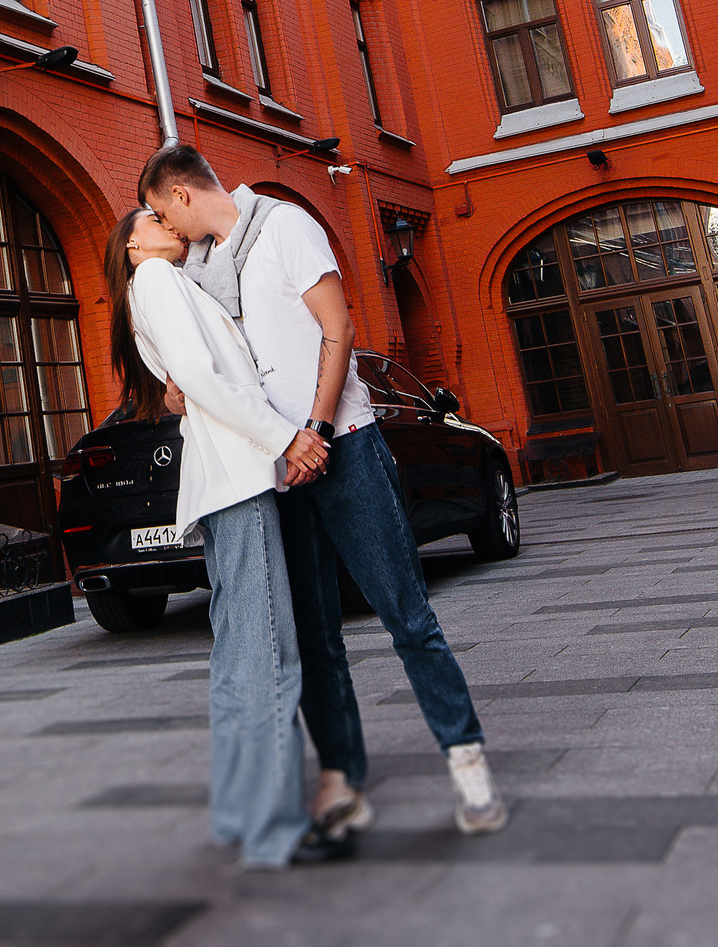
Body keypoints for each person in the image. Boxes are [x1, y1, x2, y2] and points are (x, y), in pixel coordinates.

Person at [139, 142, 507, 838]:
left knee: (406, 612)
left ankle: (466, 759)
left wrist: (315, 429)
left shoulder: (285, 225)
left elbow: (338, 330)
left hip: (346, 447)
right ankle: (342, 777)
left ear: (182, 194)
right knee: (313, 633)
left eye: (163, 212)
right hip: (275, 470)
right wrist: (180, 385)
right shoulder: (200, 271)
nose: (166, 229)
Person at [103, 208, 347, 868]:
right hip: (238, 480)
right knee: (269, 651)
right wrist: (285, 436)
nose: (170, 224)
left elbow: (194, 377)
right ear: (132, 243)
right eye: (155, 217)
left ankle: (245, 813)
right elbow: (208, 380)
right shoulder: (154, 278)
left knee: (242, 653)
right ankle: (273, 828)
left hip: (227, 482)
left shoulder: (157, 285)